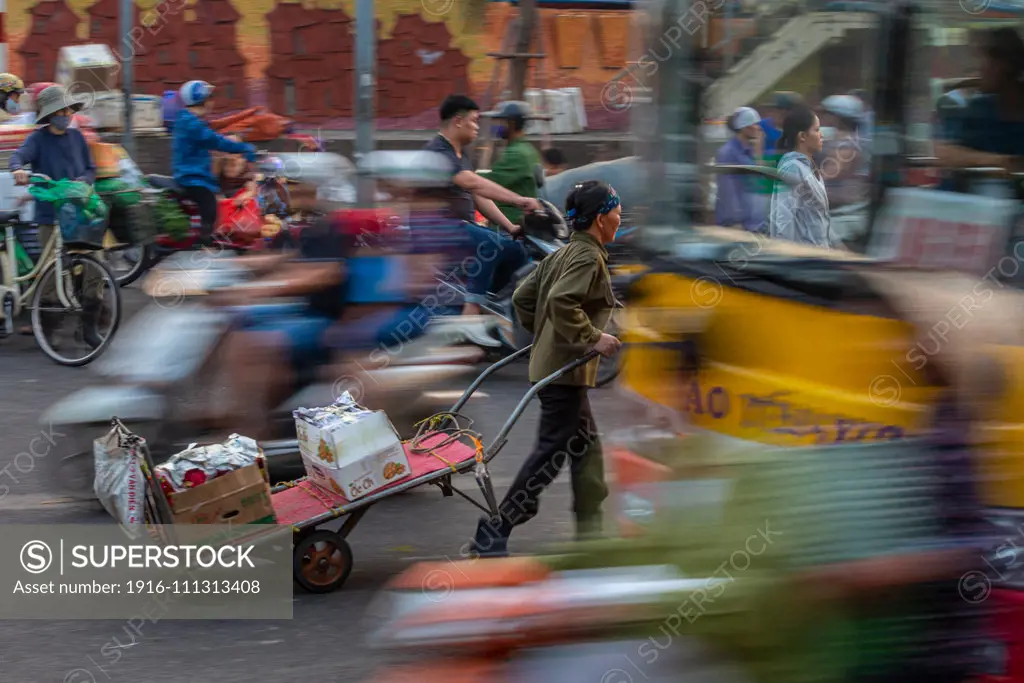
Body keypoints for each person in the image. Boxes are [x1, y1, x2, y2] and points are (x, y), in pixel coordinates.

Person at [470, 180, 622, 557]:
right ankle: (497, 528)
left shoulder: (562, 253)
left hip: (556, 365)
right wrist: (593, 337)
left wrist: (548, 335)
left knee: (585, 449)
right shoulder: (587, 257)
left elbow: (524, 298)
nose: (620, 217)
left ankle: (591, 529)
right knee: (550, 453)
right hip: (564, 370)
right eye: (616, 210)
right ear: (601, 218)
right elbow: (560, 300)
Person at [423, 94, 541, 316]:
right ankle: (472, 309)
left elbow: (479, 196)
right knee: (492, 243)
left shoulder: (461, 153)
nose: (478, 127)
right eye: (474, 120)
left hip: (460, 227)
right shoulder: (438, 151)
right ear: (458, 121)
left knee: (517, 250)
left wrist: (511, 227)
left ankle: (496, 304)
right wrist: (518, 200)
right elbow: (472, 183)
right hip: (438, 228)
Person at [10, 85, 103, 344]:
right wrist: (18, 169)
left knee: (93, 263)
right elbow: (18, 157)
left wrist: (82, 180)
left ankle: (89, 325)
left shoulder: (77, 138)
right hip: (49, 215)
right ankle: (48, 330)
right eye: (59, 110)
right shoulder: (37, 139)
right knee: (51, 272)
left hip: (78, 211)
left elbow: (90, 168)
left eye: (67, 109)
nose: (65, 114)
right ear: (49, 115)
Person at [936, 28, 1024, 194]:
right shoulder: (980, 108)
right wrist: (999, 162)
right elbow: (947, 153)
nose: (979, 68)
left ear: (1005, 65)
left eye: (984, 59)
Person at [172, 80, 256, 247]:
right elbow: (215, 141)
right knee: (210, 205)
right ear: (202, 100)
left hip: (195, 173)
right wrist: (243, 147)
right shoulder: (192, 124)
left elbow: (213, 133)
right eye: (210, 97)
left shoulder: (191, 120)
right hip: (192, 176)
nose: (212, 102)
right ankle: (204, 243)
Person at [768, 104, 837, 248]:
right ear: (803, 136)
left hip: (818, 258)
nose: (821, 135)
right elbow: (783, 220)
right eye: (817, 130)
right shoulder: (792, 168)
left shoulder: (808, 167)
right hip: (803, 260)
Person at [481, 100, 542, 227]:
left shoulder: (516, 154)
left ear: (512, 124)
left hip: (509, 223)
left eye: (500, 121)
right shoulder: (526, 149)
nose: (496, 125)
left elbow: (486, 184)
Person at [714, 106, 766, 232]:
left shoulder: (749, 151)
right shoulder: (728, 153)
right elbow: (728, 190)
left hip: (753, 223)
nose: (758, 128)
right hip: (737, 225)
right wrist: (734, 222)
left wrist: (758, 153)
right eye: (754, 124)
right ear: (744, 127)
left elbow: (759, 181)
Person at [818, 94, 870, 209]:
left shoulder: (848, 143)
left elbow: (835, 170)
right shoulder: (838, 138)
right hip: (830, 202)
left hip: (840, 205)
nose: (823, 117)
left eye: (827, 113)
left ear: (837, 117)